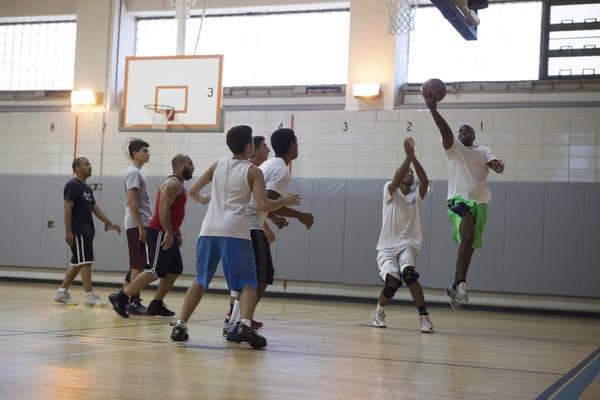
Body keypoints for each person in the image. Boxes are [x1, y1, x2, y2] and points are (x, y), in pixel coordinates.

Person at [170, 125, 300, 348]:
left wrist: (205, 201)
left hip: (208, 230)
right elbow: (264, 204)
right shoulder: (253, 170)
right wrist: (284, 202)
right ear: (249, 146)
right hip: (236, 233)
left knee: (200, 280)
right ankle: (245, 325)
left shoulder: (217, 164)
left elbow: (192, 192)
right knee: (249, 282)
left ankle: (181, 324)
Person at [225, 128, 313, 333]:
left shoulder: (269, 164)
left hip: (247, 222)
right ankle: (239, 321)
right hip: (251, 226)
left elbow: (262, 200)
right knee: (260, 277)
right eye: (297, 143)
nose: (298, 147)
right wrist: (301, 216)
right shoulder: (281, 170)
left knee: (258, 276)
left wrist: (273, 217)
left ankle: (239, 319)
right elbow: (269, 201)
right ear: (291, 146)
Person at [423, 91, 505, 309]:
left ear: (473, 135)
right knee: (467, 233)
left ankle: (455, 286)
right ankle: (461, 283)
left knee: (468, 245)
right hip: (457, 200)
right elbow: (445, 131)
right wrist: (433, 109)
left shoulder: (482, 150)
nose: (461, 133)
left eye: (466, 130)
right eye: (460, 130)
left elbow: (494, 162)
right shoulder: (454, 149)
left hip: (480, 204)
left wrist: (497, 165)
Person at [108, 154, 195, 318]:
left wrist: (176, 232)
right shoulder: (173, 183)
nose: (193, 167)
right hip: (159, 231)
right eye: (190, 164)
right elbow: (163, 210)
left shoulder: (179, 185)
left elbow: (174, 213)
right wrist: (169, 232)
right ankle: (121, 297)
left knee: (175, 269)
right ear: (180, 166)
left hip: (169, 232)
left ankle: (156, 304)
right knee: (156, 270)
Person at [371, 137, 433, 333]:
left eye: (411, 172)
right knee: (393, 283)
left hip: (408, 244)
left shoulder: (416, 196)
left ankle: (424, 317)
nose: (408, 173)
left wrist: (413, 158)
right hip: (387, 247)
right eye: (406, 171)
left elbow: (424, 180)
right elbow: (397, 177)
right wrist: (407, 158)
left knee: (409, 275)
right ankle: (379, 312)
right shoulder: (390, 190)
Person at [53, 157, 121, 306]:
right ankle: (90, 296)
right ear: (77, 168)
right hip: (79, 230)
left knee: (78, 261)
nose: (90, 166)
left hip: (87, 229)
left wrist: (110, 223)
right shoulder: (73, 185)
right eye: (86, 164)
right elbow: (67, 208)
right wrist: (69, 231)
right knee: (86, 261)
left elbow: (95, 208)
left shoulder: (87, 188)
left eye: (90, 163)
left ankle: (61, 292)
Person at [122, 139, 152, 315]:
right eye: (144, 151)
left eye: (148, 151)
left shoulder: (137, 173)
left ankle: (123, 296)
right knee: (138, 265)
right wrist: (140, 226)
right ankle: (133, 301)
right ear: (134, 154)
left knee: (138, 264)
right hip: (136, 222)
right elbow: (132, 201)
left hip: (140, 221)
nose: (147, 154)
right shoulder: (133, 173)